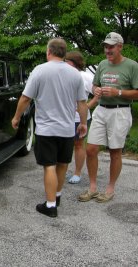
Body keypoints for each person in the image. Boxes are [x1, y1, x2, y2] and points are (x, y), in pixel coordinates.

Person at [12, 38, 88, 218]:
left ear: (49, 51)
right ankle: (57, 195)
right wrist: (83, 123)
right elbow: (82, 102)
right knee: (62, 164)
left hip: (46, 130)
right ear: (63, 53)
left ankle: (50, 205)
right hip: (67, 129)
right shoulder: (75, 74)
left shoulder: (39, 71)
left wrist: (16, 118)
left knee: (49, 167)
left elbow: (25, 98)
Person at [78, 32, 138, 203]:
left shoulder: (132, 66)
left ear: (120, 46)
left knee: (115, 151)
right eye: (106, 46)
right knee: (90, 149)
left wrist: (117, 92)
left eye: (111, 46)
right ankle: (92, 188)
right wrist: (96, 90)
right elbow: (95, 84)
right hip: (101, 109)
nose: (107, 50)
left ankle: (110, 189)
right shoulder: (103, 64)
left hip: (120, 111)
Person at [64, 51, 99, 184]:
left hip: (79, 119)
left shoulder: (85, 76)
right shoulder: (62, 75)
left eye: (66, 61)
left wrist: (87, 106)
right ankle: (62, 170)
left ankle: (77, 173)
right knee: (65, 145)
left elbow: (98, 93)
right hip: (63, 117)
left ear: (72, 63)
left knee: (78, 145)